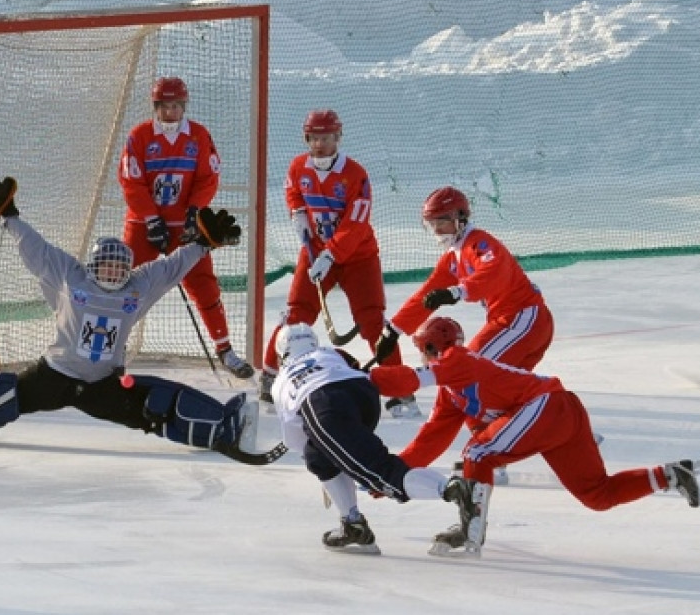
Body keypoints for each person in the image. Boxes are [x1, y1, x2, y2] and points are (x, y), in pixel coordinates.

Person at [0, 176, 266, 462]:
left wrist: (202, 244)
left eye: (119, 265)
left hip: (102, 385)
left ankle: (223, 427)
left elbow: (171, 268)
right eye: (105, 264)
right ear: (92, 265)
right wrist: (9, 217)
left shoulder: (135, 289)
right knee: (1, 400)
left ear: (128, 268)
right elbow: (37, 249)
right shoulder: (70, 277)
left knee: (154, 407)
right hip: (53, 375)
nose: (111, 271)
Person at [371, 316, 700, 557]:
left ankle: (470, 530)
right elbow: (428, 441)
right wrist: (383, 475)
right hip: (561, 413)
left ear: (433, 347)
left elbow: (406, 381)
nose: (422, 355)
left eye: (423, 349)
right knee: (597, 495)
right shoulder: (449, 393)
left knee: (477, 451)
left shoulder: (458, 360)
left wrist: (362, 378)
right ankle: (672, 475)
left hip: (547, 404)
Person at [375, 186, 556, 450]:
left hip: (522, 319)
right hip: (513, 323)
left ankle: (490, 447)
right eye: (432, 224)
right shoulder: (453, 257)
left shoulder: (479, 243)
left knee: (465, 372)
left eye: (442, 222)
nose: (437, 230)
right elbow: (426, 295)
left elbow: (494, 270)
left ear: (460, 218)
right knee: (500, 389)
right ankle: (548, 428)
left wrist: (458, 291)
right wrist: (393, 330)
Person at [268, 323, 467, 555]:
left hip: (323, 403)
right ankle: (352, 524)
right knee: (318, 457)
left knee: (381, 473)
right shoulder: (329, 352)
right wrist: (329, 453)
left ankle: (454, 490)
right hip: (362, 394)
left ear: (282, 351)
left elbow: (295, 438)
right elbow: (355, 367)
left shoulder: (282, 379)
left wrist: (332, 451)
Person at [257, 109, 401, 406]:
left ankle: (399, 386)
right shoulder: (299, 167)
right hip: (315, 253)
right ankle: (270, 375)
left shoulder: (355, 174)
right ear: (306, 138)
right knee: (296, 315)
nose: (320, 144)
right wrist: (297, 213)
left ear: (338, 137)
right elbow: (293, 190)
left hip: (357, 257)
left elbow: (356, 223)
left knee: (372, 319)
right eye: (314, 138)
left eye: (326, 137)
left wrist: (331, 255)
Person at [117, 76, 253, 378]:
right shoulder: (139, 136)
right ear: (156, 107)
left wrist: (194, 213)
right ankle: (116, 347)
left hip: (185, 226)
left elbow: (208, 178)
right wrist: (151, 219)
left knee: (204, 285)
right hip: (143, 226)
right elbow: (131, 181)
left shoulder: (199, 136)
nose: (170, 113)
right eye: (165, 106)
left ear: (184, 106)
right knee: (128, 286)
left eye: (176, 106)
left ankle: (225, 349)